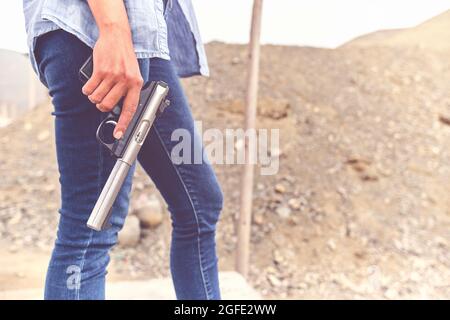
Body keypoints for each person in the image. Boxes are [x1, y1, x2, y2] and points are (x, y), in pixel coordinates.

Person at [22, 0, 223, 300]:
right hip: (95, 26)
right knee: (90, 230)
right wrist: (112, 27)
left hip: (141, 34)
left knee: (200, 204)